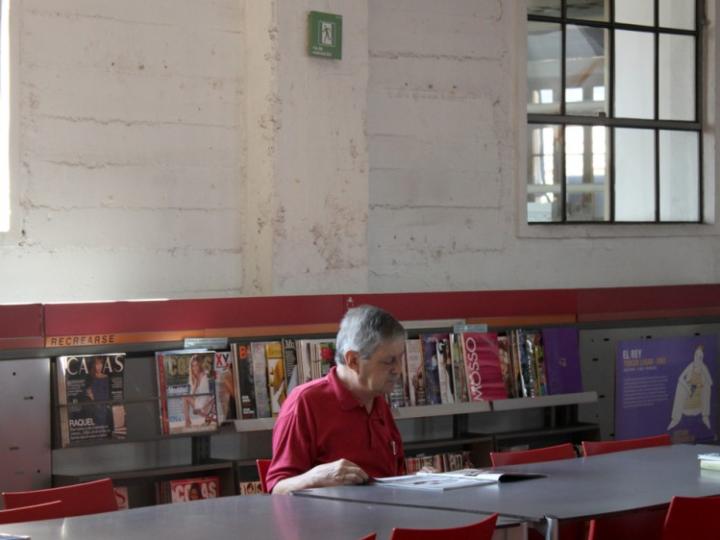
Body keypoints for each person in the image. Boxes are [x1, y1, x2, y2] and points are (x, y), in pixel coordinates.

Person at [266, 305, 406, 494]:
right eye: (389, 361)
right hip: (329, 521)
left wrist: (420, 480)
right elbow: (276, 490)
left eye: (400, 359)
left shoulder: (378, 398)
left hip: (384, 516)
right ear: (353, 361)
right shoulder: (305, 403)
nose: (398, 369)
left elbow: (391, 478)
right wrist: (314, 478)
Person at [668, 344, 713, 431]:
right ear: (694, 355)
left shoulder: (704, 368)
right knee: (680, 386)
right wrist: (688, 388)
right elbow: (680, 378)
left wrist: (701, 383)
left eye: (700, 356)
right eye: (696, 355)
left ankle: (705, 416)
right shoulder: (690, 366)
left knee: (707, 386)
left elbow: (710, 382)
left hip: (698, 404)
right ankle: (675, 418)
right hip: (687, 399)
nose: (697, 358)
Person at [183, 355, 214, 427]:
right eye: (193, 366)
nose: (195, 368)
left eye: (196, 365)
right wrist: (195, 385)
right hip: (198, 404)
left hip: (205, 406)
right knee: (185, 396)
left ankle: (188, 421)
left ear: (199, 365)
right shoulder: (192, 378)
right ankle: (188, 421)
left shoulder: (204, 375)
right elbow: (191, 395)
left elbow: (206, 394)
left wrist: (205, 407)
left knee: (185, 396)